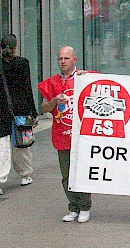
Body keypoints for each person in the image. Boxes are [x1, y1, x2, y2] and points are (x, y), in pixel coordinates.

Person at [39, 46, 92, 223]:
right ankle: (73, 206)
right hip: (62, 134)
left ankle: (85, 206)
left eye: (66, 58)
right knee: (66, 174)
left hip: (82, 135)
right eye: (60, 58)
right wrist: (54, 100)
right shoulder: (53, 82)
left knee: (81, 172)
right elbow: (44, 108)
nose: (63, 62)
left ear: (74, 59)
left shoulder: (84, 78)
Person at [0, 34, 37, 195]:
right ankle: (25, 175)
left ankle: (1, 179)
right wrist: (33, 111)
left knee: (2, 147)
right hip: (20, 109)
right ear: (15, 47)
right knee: (21, 144)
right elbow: (27, 89)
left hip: (1, 110)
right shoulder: (23, 63)